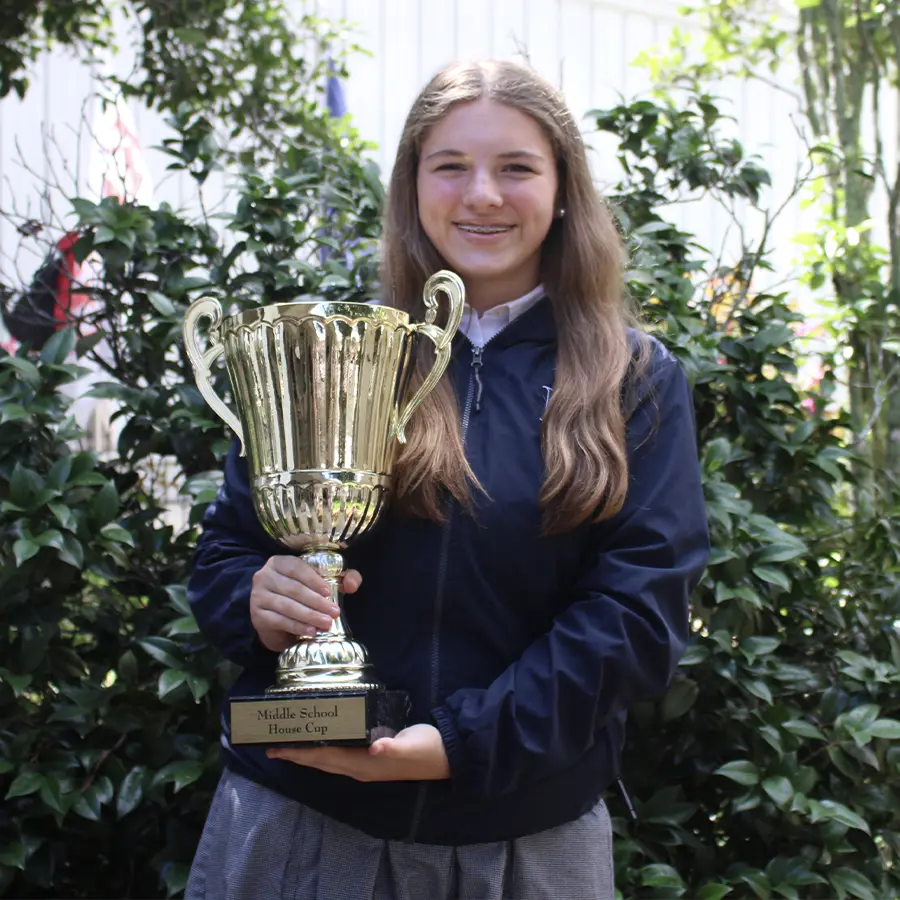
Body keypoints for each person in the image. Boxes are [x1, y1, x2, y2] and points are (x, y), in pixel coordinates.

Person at [184, 59, 710, 900]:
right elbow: (225, 556)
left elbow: (635, 618)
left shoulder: (634, 379)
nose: (482, 195)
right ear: (413, 186)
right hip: (299, 829)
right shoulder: (336, 350)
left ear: (564, 187)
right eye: (451, 165)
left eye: (516, 167)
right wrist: (258, 597)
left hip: (523, 844)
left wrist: (459, 745)